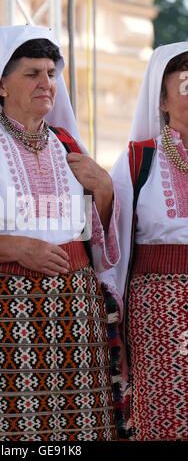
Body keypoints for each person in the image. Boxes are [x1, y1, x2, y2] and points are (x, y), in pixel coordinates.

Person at [0, 24, 125, 442]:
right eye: (31, 74)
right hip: (6, 315)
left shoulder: (68, 145)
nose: (46, 83)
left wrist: (105, 189)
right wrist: (17, 247)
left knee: (83, 428)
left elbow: (100, 243)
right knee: (14, 432)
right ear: (1, 85)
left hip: (78, 318)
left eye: (51, 74)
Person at [99, 42, 188, 441]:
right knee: (164, 415)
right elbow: (113, 251)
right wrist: (114, 331)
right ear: (163, 101)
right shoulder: (137, 161)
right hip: (157, 312)